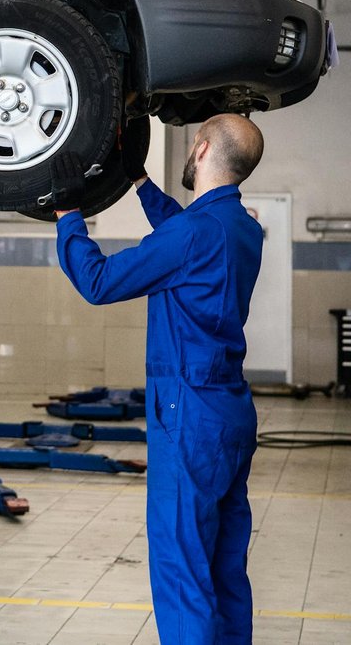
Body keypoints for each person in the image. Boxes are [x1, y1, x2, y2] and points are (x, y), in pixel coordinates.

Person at [50, 113, 266, 645]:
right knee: (224, 568)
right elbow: (181, 232)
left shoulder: (194, 233)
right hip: (230, 411)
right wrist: (138, 182)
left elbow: (99, 282)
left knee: (182, 568)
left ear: (202, 147)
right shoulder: (242, 227)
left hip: (188, 412)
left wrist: (67, 215)